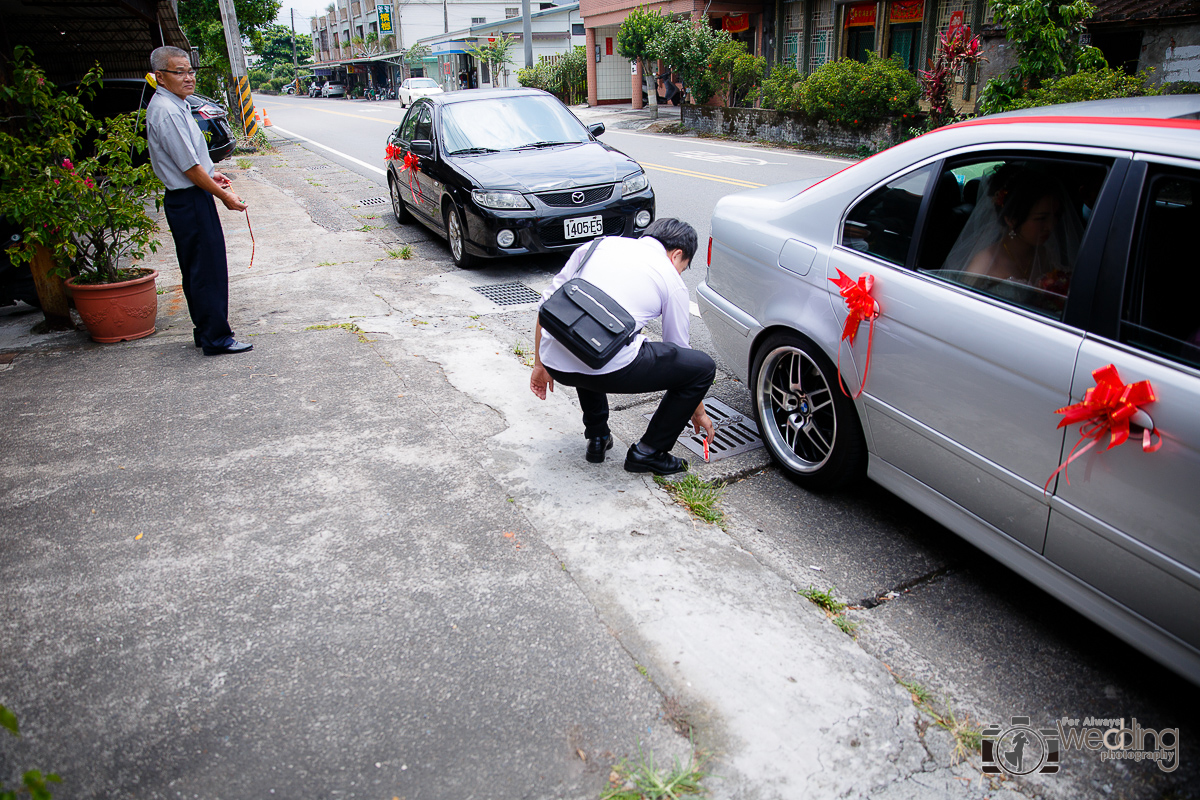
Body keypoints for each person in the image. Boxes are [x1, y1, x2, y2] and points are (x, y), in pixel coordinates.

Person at [530, 219, 716, 476]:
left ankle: (597, 437)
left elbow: (547, 305)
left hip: (556, 364)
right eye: (683, 268)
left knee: (590, 332)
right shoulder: (670, 279)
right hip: (611, 372)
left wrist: (540, 364)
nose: (680, 273)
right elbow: (680, 353)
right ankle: (649, 452)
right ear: (677, 254)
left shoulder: (595, 247)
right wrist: (697, 411)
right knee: (703, 367)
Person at [146, 46, 252, 356]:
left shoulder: (176, 105)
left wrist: (212, 176)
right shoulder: (166, 111)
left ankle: (206, 330)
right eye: (179, 72)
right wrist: (224, 196)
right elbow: (189, 168)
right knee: (207, 269)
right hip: (189, 199)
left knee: (199, 268)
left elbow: (194, 163)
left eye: (190, 70)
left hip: (191, 194)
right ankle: (216, 337)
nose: (188, 77)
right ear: (160, 77)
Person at [944, 165, 1081, 297]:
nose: (1051, 226)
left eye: (1055, 216)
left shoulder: (1045, 254)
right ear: (1011, 219)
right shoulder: (984, 263)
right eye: (1041, 218)